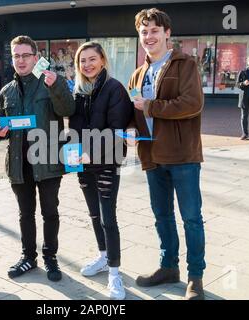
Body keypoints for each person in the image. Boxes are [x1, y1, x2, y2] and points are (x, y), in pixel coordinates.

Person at [129, 8, 206, 300]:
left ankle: (195, 277)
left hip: (182, 155)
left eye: (154, 31)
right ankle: (168, 267)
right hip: (151, 155)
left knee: (191, 218)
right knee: (162, 216)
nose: (149, 37)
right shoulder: (138, 73)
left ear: (167, 33)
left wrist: (150, 106)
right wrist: (125, 126)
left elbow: (191, 104)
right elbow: (134, 111)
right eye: (144, 32)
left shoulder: (185, 64)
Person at [0, 35, 75, 282]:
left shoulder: (51, 83)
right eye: (16, 55)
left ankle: (50, 258)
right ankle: (28, 257)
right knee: (24, 213)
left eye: (25, 55)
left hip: (48, 160)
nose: (20, 60)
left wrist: (57, 86)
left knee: (50, 212)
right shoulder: (7, 90)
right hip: (19, 164)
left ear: (36, 57)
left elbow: (68, 110)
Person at [69, 41, 133, 299]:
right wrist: (72, 152)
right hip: (84, 164)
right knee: (94, 215)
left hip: (106, 162)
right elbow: (74, 128)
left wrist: (89, 152)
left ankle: (115, 274)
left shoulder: (114, 88)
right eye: (82, 61)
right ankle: (104, 257)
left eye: (92, 59)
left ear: (103, 60)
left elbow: (116, 131)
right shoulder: (79, 90)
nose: (87, 64)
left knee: (108, 217)